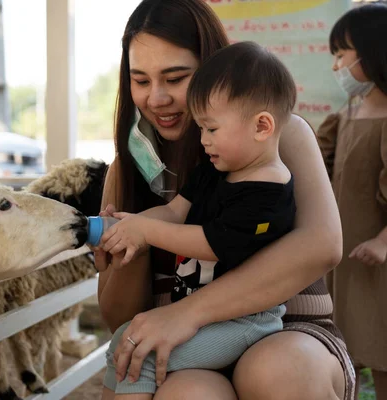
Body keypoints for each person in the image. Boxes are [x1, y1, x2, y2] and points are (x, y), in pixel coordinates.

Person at [96, 1, 354, 399]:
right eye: (141, 81)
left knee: (280, 372)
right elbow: (118, 316)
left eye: (176, 78)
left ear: (214, 69)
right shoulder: (128, 169)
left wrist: (185, 313)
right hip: (185, 349)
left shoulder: (279, 136)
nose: (157, 97)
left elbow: (322, 246)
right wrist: (133, 245)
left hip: (284, 329)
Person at [97, 41, 296, 398]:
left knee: (135, 355)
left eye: (211, 129)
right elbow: (174, 213)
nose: (202, 140)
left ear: (262, 126)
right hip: (205, 319)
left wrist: (146, 230)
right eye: (201, 128)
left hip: (244, 321)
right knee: (125, 340)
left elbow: (211, 243)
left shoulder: (268, 191)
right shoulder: (215, 169)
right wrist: (127, 226)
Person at [316, 4, 387, 399]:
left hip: (379, 264)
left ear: (373, 52)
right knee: (345, 353)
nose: (336, 67)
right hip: (346, 262)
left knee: (382, 351)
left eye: (341, 55)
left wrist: (382, 241)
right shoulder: (346, 115)